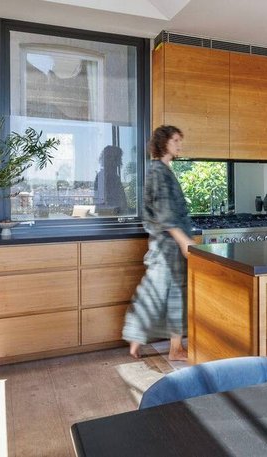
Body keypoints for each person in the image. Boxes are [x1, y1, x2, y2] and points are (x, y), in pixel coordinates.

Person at [123, 126, 194, 360]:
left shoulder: (163, 170)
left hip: (170, 245)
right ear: (164, 143)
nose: (179, 145)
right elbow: (164, 213)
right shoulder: (158, 172)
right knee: (157, 290)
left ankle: (174, 347)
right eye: (175, 140)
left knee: (174, 293)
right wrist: (184, 241)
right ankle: (138, 337)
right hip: (167, 246)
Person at [93, 145, 128, 215]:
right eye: (110, 157)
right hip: (110, 217)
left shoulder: (114, 176)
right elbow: (101, 203)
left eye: (116, 158)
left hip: (115, 215)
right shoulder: (103, 176)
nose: (113, 161)